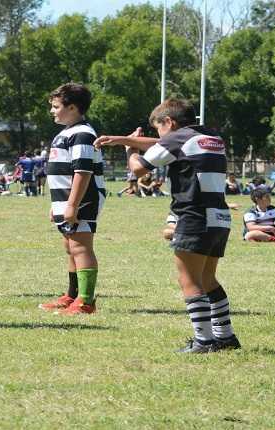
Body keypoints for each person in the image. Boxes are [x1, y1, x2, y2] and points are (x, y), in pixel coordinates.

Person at [94, 98, 240, 353]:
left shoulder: (177, 139)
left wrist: (130, 150)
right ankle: (225, 336)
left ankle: (204, 341)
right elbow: (163, 144)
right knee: (208, 279)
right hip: (218, 217)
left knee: (189, 280)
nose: (158, 134)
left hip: (194, 216)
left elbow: (138, 169)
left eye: (158, 128)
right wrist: (124, 139)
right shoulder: (209, 137)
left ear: (170, 122)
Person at [37, 83, 104, 315]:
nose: (52, 111)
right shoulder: (67, 132)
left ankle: (86, 301)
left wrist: (73, 204)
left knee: (80, 247)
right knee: (70, 247)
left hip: (84, 199)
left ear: (73, 107)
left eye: (56, 107)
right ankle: (72, 295)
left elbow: (82, 172)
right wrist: (57, 204)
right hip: (66, 200)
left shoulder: (82, 134)